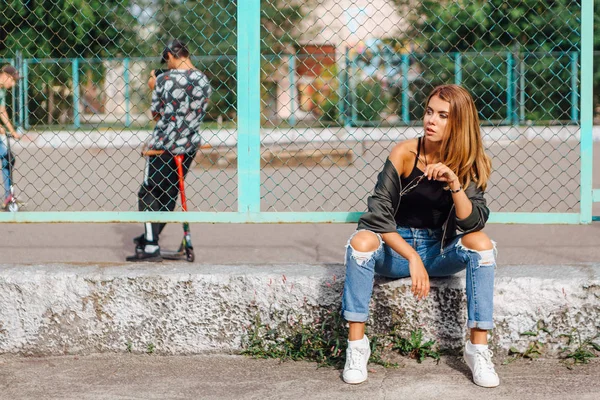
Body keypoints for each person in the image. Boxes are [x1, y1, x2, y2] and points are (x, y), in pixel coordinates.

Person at [341, 84, 498, 388]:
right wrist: (411, 256)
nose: (431, 120)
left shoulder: (467, 161)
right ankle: (357, 346)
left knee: (482, 245)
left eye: (443, 115)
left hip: (439, 252)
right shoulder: (404, 153)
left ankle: (477, 349)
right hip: (396, 250)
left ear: (459, 123)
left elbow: (473, 222)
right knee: (360, 242)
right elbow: (377, 215)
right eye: (429, 112)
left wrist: (454, 182)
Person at [127, 40, 212, 262]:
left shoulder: (164, 80)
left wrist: (156, 86)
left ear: (170, 55)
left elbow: (156, 114)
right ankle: (150, 237)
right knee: (170, 192)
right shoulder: (203, 80)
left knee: (148, 191)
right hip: (189, 144)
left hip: (163, 146)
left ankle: (151, 246)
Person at [0, 65, 22, 209]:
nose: (13, 84)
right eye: (12, 80)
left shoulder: (1, 92)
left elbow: (1, 111)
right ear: (5, 76)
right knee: (5, 156)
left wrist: (12, 131)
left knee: (8, 158)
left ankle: (9, 195)